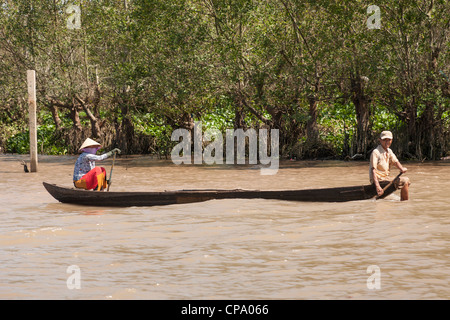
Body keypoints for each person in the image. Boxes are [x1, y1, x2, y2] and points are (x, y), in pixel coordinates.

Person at [369, 131, 410, 201]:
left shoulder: (389, 151)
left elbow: (395, 161)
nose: (387, 142)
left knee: (407, 182)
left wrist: (401, 168)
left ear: (392, 140)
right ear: (380, 140)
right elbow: (373, 170)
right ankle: (404, 203)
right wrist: (377, 186)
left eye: (389, 140)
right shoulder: (376, 152)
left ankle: (402, 200)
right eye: (384, 140)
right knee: (405, 181)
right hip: (379, 180)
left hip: (385, 178)